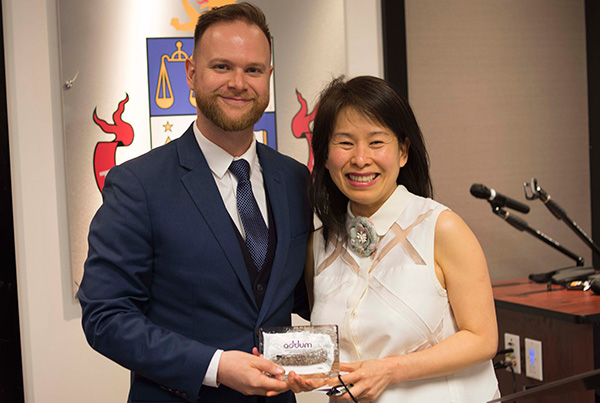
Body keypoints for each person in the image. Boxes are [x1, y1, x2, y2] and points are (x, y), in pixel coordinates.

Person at [78, 3, 312, 402]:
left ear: (269, 78)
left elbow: (306, 295)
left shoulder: (294, 179)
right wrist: (216, 365)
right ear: (190, 73)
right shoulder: (138, 184)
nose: (239, 83)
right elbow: (105, 317)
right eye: (222, 67)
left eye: (253, 70)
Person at [289, 76, 499, 402]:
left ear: (402, 151)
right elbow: (340, 353)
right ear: (325, 157)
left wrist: (389, 370)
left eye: (376, 142)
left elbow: (482, 338)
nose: (360, 158)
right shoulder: (317, 247)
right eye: (345, 143)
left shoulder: (442, 228)